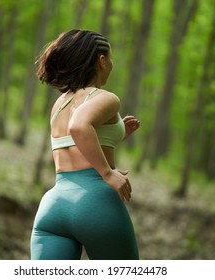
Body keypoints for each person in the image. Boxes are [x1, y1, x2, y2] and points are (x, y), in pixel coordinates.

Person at [30, 29, 141, 260]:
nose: (112, 64)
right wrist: (107, 173)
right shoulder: (105, 97)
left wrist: (116, 135)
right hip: (95, 204)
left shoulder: (60, 103)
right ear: (101, 61)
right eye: (110, 58)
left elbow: (73, 142)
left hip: (54, 208)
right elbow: (79, 127)